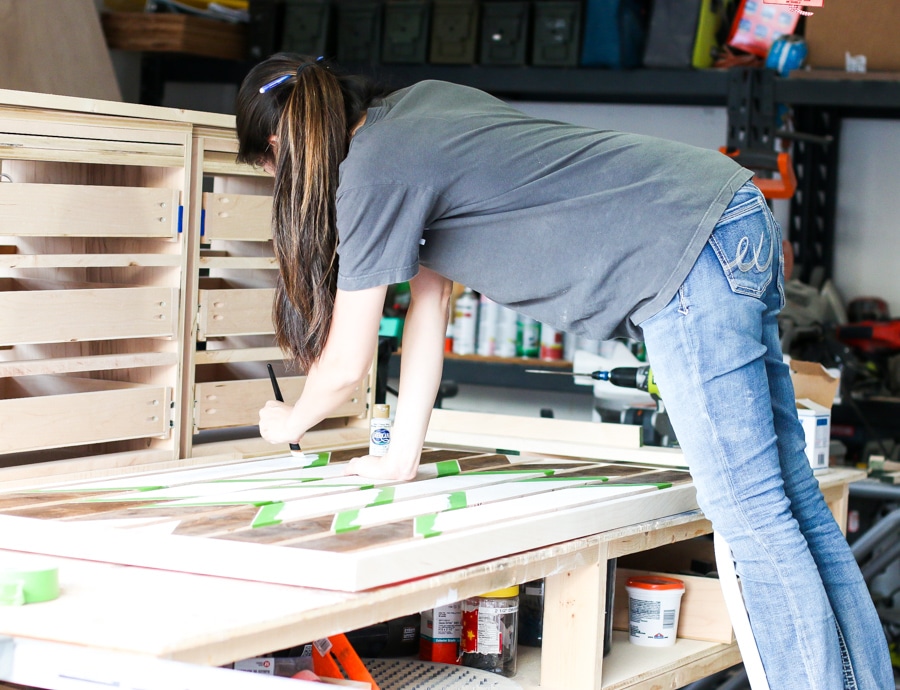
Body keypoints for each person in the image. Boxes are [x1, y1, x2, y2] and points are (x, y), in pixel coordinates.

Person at [236, 53, 892, 689]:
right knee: (792, 502)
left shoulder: (374, 174)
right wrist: (400, 458)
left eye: (269, 171)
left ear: (284, 151)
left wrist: (284, 420)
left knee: (751, 517)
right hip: (730, 218)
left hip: (685, 259)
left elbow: (346, 364)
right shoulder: (418, 113)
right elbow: (428, 309)